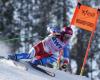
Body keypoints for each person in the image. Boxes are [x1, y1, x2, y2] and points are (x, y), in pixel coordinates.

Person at [9, 26, 73, 69]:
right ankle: (15, 56)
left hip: (48, 54)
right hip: (41, 46)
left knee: (55, 57)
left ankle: (36, 61)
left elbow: (66, 56)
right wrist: (53, 32)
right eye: (66, 36)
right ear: (62, 33)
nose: (67, 39)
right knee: (29, 55)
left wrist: (65, 63)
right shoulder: (57, 33)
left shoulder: (66, 44)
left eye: (69, 37)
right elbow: (49, 27)